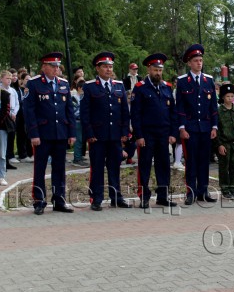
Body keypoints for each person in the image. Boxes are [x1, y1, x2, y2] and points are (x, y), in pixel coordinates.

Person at [24, 52, 76, 215]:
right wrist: (33, 134)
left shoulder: (63, 84)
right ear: (44, 67)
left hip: (60, 133)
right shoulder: (34, 84)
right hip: (42, 134)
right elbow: (29, 111)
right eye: (52, 66)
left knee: (60, 168)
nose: (56, 69)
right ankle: (39, 200)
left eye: (57, 66)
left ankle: (59, 199)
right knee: (40, 168)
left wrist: (71, 132)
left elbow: (69, 110)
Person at [81, 51, 131, 211]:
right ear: (98, 68)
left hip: (115, 136)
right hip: (97, 136)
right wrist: (89, 134)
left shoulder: (119, 86)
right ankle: (96, 198)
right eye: (105, 67)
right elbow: (85, 113)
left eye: (110, 67)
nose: (108, 70)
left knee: (114, 167)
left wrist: (124, 132)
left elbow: (124, 111)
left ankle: (116, 197)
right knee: (97, 168)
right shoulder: (89, 87)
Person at [130, 53, 178, 208]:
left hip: (164, 134)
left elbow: (173, 112)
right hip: (147, 134)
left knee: (163, 165)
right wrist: (138, 135)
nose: (158, 73)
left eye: (160, 70)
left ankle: (163, 196)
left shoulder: (167, 87)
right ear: (149, 69)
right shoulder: (140, 88)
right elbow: (135, 114)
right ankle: (144, 196)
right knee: (144, 165)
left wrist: (172, 133)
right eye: (155, 69)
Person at [176, 44, 218, 205]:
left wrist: (214, 127)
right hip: (190, 128)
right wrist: (182, 127)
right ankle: (191, 192)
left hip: (206, 128)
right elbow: (179, 107)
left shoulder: (209, 80)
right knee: (191, 161)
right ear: (189, 63)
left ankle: (203, 191)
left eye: (201, 60)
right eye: (196, 61)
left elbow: (213, 106)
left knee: (204, 161)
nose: (199, 63)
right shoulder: (182, 82)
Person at [214, 83, 234, 199]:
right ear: (222, 97)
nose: (230, 98)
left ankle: (233, 189)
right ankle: (225, 189)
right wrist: (219, 145)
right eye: (227, 96)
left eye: (232, 96)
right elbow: (216, 130)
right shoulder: (219, 111)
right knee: (224, 167)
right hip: (224, 143)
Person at [0, 70, 19, 170]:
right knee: (2, 139)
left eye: (10, 79)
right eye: (7, 78)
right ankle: (1, 162)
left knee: (11, 138)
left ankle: (8, 159)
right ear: (2, 79)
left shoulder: (13, 90)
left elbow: (17, 103)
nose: (9, 81)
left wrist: (14, 113)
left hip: (12, 116)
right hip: (4, 116)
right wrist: (9, 113)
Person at [71, 79, 88, 167]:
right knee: (78, 140)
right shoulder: (74, 98)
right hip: (77, 121)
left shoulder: (82, 97)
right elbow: (74, 111)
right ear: (79, 88)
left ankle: (80, 156)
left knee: (82, 140)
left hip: (82, 121)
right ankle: (76, 159)